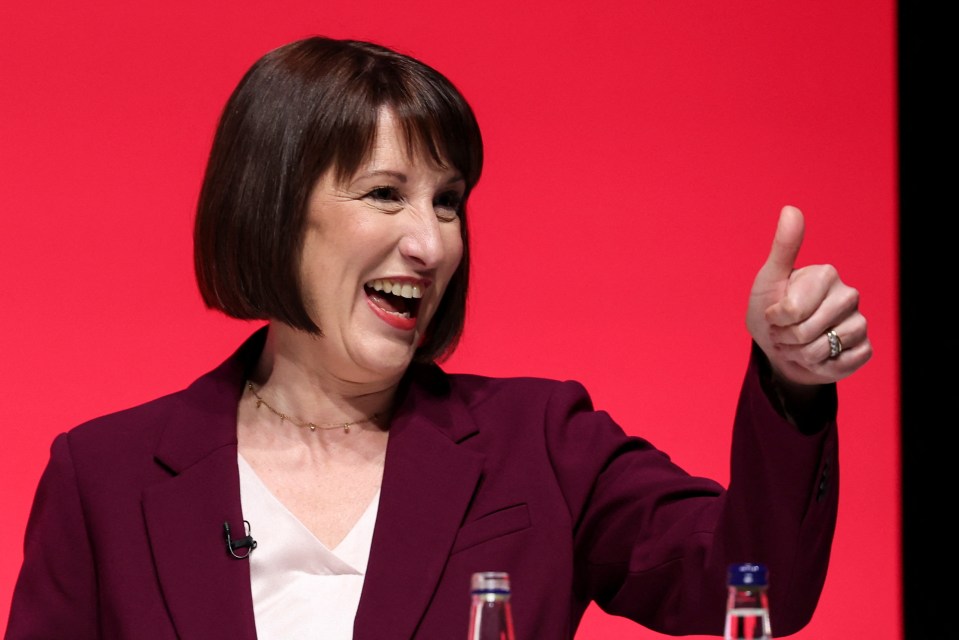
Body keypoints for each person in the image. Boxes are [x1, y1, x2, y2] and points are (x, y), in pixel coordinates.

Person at [4, 36, 871, 640]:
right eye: (385, 194)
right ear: (273, 212)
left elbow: (751, 585)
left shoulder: (541, 445)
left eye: (447, 200)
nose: (431, 242)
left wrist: (789, 379)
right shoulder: (103, 479)